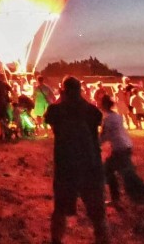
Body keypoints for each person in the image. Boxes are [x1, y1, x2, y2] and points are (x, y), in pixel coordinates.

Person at [44, 76, 109, 244]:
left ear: (63, 91)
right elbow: (96, 120)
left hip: (66, 166)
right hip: (91, 165)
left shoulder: (55, 110)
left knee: (60, 210)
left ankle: (56, 241)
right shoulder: (92, 111)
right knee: (97, 213)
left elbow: (49, 118)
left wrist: (62, 97)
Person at [99, 96, 144, 207]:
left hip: (119, 149)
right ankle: (120, 198)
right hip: (125, 146)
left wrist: (93, 143)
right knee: (111, 171)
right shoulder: (116, 116)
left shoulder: (108, 119)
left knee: (128, 175)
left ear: (104, 105)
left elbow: (103, 135)